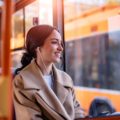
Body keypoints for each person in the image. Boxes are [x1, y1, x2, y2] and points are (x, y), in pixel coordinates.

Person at [13, 25, 85, 120]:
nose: (61, 48)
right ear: (37, 47)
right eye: (55, 42)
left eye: (61, 43)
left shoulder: (66, 79)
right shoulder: (22, 81)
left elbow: (78, 112)